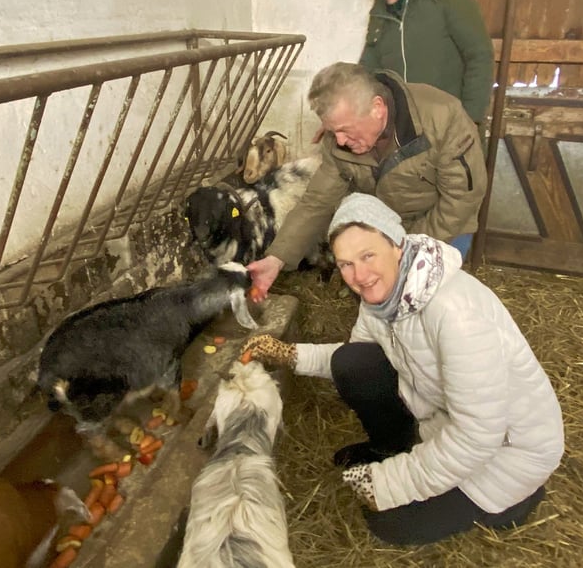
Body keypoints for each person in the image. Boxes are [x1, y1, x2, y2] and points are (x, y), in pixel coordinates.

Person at [241, 193, 564, 545]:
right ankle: (392, 448)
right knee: (353, 364)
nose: (359, 275)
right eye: (346, 263)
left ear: (396, 245)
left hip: (510, 447)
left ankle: (515, 503)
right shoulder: (382, 299)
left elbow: (478, 434)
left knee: (389, 522)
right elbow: (355, 356)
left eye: (368, 256)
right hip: (443, 417)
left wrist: (388, 483)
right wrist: (290, 355)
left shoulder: (456, 315)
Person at [246, 61, 485, 299]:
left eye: (344, 130)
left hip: (443, 225)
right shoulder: (339, 143)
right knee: (381, 299)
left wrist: (406, 251)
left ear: (377, 108)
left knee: (429, 297)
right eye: (333, 131)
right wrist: (277, 258)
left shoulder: (442, 118)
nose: (339, 141)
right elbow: (317, 202)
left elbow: (461, 199)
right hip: (385, 229)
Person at [360, 0, 494, 129]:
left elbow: (479, 56)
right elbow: (368, 69)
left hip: (449, 127)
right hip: (404, 128)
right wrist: (347, 114)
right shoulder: (380, 13)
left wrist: (470, 119)